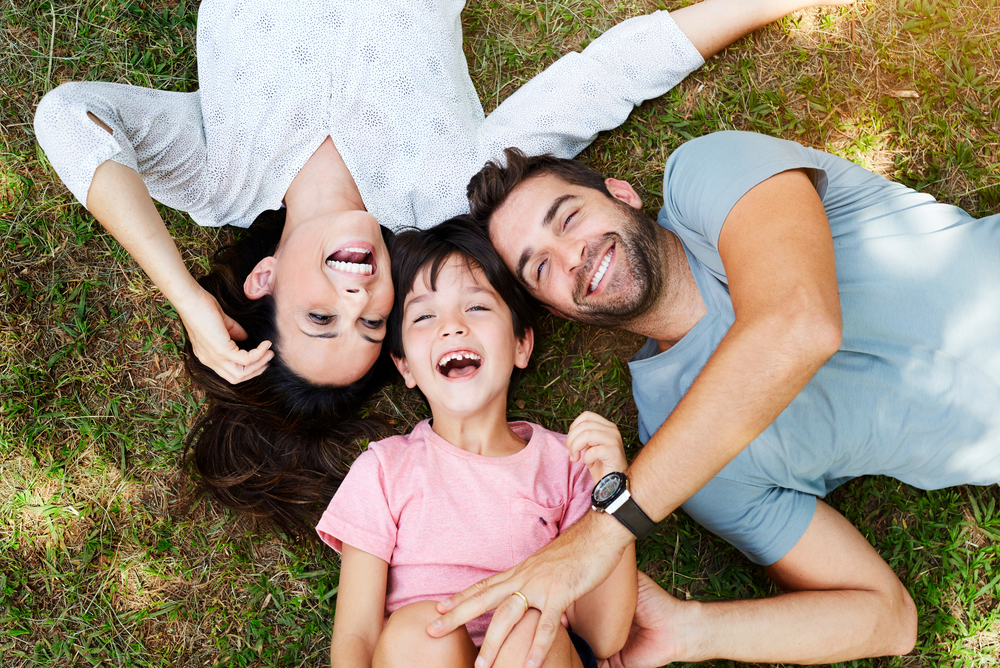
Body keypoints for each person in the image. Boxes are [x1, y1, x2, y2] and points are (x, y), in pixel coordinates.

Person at [33, 0, 835, 531]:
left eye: (322, 314)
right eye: (373, 319)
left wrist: (182, 295)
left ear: (263, 280)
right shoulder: (441, 189)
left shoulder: (216, 175)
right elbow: (598, 83)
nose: (357, 289)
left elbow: (69, 117)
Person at [426, 130, 1000, 666]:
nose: (571, 255)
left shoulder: (707, 175)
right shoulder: (684, 460)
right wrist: (690, 630)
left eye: (569, 217)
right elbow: (886, 618)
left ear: (622, 194)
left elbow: (800, 323)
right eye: (541, 267)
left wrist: (602, 534)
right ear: (558, 311)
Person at [316, 219, 637, 667]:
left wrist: (614, 490)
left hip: (535, 656)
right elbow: (357, 635)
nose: (451, 327)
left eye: (477, 308)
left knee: (525, 629)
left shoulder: (571, 464)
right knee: (418, 631)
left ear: (522, 344)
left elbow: (603, 635)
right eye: (425, 316)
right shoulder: (384, 470)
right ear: (405, 366)